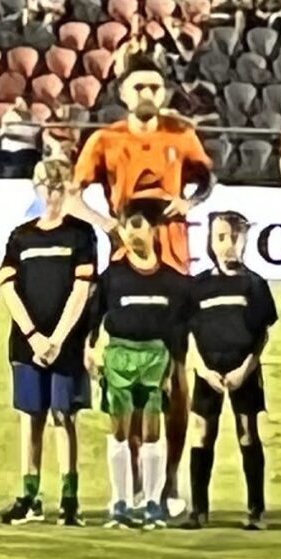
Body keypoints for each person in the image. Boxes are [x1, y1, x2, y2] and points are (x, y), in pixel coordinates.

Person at [75, 60, 215, 512]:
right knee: (127, 379)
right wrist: (106, 225)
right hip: (125, 268)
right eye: (140, 85)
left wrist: (188, 200)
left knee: (175, 379)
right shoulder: (105, 139)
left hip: (174, 264)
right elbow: (75, 194)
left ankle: (168, 481)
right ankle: (131, 483)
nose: (149, 91)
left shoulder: (181, 135)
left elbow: (207, 178)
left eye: (156, 84)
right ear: (123, 93)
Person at [0, 154, 99, 525]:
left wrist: (57, 338)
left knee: (63, 416)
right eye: (45, 185)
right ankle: (29, 494)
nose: (51, 193)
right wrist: (34, 336)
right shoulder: (20, 236)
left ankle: (69, 498)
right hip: (28, 344)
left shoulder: (80, 234)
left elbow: (83, 288)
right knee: (30, 418)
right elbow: (6, 287)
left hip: (66, 344)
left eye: (58, 186)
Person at [89, 200, 193, 528]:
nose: (133, 235)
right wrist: (89, 349)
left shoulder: (174, 282)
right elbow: (94, 317)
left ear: (153, 231)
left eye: (139, 227)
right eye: (127, 228)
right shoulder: (112, 278)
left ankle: (152, 502)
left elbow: (181, 328)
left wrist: (174, 369)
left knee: (151, 430)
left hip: (156, 358)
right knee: (119, 431)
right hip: (119, 354)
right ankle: (120, 501)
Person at [182, 210, 277, 529]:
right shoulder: (198, 286)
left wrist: (245, 369)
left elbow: (262, 334)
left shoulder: (255, 285)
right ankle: (198, 510)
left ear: (245, 239)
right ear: (210, 240)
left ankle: (256, 511)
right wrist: (201, 369)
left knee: (248, 433)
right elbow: (190, 332)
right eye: (221, 237)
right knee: (201, 433)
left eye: (234, 237)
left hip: (244, 371)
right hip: (208, 370)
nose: (228, 244)